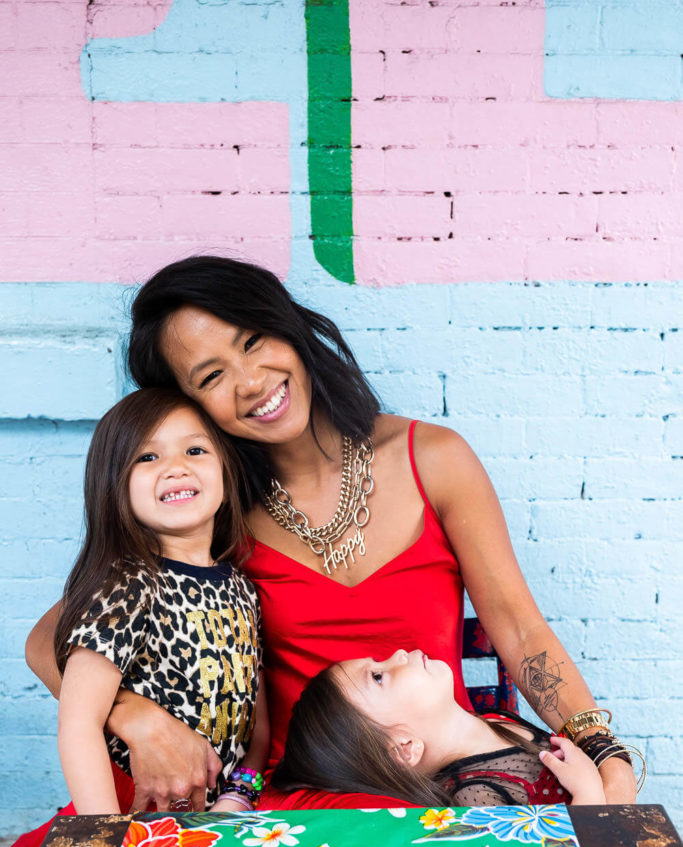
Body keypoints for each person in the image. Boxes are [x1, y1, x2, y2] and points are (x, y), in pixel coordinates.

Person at [24, 256, 638, 817]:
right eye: (211, 376)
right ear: (189, 405)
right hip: (286, 803)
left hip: (438, 786)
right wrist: (138, 718)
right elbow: (50, 640)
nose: (251, 381)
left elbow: (520, 630)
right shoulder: (215, 509)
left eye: (254, 341)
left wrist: (602, 748)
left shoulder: (434, 459)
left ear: (290, 328)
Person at [53, 387, 269, 815]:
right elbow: (79, 722)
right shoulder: (128, 585)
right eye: (148, 457)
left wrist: (238, 795)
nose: (176, 467)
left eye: (195, 450)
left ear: (226, 477)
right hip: (132, 809)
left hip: (224, 815)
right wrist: (105, 834)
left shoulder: (243, 590)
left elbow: (256, 725)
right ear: (115, 486)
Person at [272, 649, 612, 807]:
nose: (399, 654)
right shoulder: (475, 798)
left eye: (379, 660)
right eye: (378, 676)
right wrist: (590, 797)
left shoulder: (495, 719)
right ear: (405, 747)